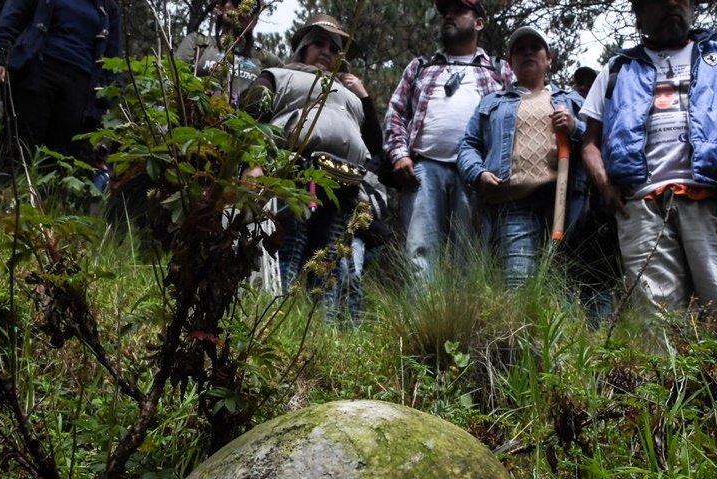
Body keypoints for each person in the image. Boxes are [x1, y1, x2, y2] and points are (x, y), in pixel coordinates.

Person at [580, 0, 717, 347]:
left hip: (712, 201)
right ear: (639, 13)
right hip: (640, 206)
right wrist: (604, 183)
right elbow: (589, 143)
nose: (672, 3)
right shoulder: (616, 69)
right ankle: (666, 400)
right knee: (656, 322)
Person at [244, 13, 382, 323]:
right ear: (303, 47)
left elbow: (375, 141)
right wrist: (252, 162)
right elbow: (250, 113)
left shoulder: (352, 96)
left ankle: (321, 333)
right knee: (291, 247)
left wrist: (364, 95)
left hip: (342, 185)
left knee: (328, 262)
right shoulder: (278, 75)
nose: (327, 52)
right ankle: (278, 323)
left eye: (335, 49)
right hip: (293, 173)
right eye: (319, 44)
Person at [383, 0, 513, 281]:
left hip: (478, 173)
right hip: (424, 169)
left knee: (471, 255)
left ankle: (465, 322)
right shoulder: (420, 67)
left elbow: (517, 119)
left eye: (458, 10)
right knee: (419, 250)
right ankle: (419, 322)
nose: (449, 16)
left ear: (478, 22)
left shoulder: (499, 71)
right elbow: (395, 113)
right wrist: (400, 154)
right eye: (446, 12)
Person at [457, 26, 584, 289]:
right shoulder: (492, 102)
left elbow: (598, 141)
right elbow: (468, 145)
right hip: (513, 201)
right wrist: (478, 173)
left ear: (548, 57)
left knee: (566, 284)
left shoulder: (571, 101)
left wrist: (574, 128)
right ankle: (520, 332)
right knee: (519, 284)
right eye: (519, 49)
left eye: (534, 47)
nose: (527, 52)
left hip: (565, 202)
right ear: (510, 62)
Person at [0, 0, 122, 175]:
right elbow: (12, 16)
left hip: (81, 88)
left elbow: (114, 57)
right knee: (19, 149)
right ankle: (5, 198)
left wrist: (107, 100)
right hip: (37, 71)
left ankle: (45, 201)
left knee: (60, 163)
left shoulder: (107, 7)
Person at [174, 0, 281, 106]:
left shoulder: (265, 59)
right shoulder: (197, 43)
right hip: (198, 117)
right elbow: (174, 78)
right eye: (237, 2)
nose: (242, 10)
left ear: (255, 21)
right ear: (220, 9)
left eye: (253, 9)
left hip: (243, 120)